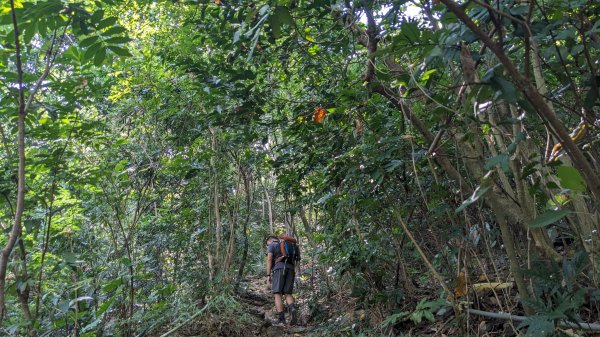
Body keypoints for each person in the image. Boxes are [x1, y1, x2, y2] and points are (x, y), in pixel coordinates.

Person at [265, 234, 300, 326]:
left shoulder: (272, 245)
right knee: (288, 293)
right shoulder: (293, 245)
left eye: (267, 244)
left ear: (270, 241)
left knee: (277, 293)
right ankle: (292, 309)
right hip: (291, 269)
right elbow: (297, 260)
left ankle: (281, 319)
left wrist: (268, 275)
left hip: (279, 269)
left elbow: (269, 260)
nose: (267, 246)